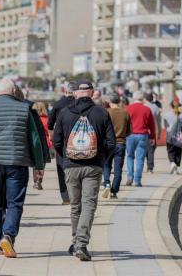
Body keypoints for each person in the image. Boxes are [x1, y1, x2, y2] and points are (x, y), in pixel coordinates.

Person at [0, 79, 45, 258]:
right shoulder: (24, 109)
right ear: (13, 91)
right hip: (17, 163)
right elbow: (34, 140)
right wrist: (39, 165)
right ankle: (8, 235)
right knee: (14, 203)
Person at [52, 80, 115, 261]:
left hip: (71, 166)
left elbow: (56, 141)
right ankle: (81, 243)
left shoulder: (64, 113)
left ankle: (76, 241)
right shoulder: (101, 113)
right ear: (92, 92)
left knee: (75, 206)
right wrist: (101, 159)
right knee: (89, 205)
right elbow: (111, 142)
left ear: (74, 94)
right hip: (93, 166)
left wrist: (65, 158)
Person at [48, 84, 75, 204]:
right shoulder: (78, 104)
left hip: (61, 140)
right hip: (76, 139)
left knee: (61, 168)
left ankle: (66, 197)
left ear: (65, 91)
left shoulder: (58, 104)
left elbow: (50, 123)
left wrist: (52, 136)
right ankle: (75, 194)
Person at [102, 94, 131, 199]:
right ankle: (114, 191)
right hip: (121, 143)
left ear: (110, 102)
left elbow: (102, 129)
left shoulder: (106, 112)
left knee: (106, 165)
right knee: (118, 168)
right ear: (119, 101)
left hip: (107, 143)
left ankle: (106, 183)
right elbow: (129, 131)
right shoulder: (125, 113)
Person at [125, 91, 156, 187]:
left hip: (130, 135)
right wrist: (152, 137)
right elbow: (152, 125)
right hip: (143, 135)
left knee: (130, 156)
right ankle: (137, 180)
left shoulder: (128, 109)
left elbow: (124, 123)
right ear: (142, 99)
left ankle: (130, 176)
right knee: (140, 158)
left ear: (134, 98)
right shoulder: (147, 109)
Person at [31, 101, 52, 190]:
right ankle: (39, 180)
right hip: (45, 144)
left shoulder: (32, 119)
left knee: (35, 164)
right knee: (42, 164)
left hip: (34, 143)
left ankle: (35, 180)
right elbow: (50, 132)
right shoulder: (46, 119)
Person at [163, 101, 182, 174]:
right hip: (179, 136)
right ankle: (176, 169)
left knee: (170, 151)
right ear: (179, 106)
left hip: (170, 136)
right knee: (178, 152)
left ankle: (172, 163)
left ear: (171, 106)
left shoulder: (166, 115)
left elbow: (165, 126)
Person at [143, 93, 161, 173]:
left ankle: (147, 165)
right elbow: (159, 121)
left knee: (145, 149)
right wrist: (159, 132)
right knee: (151, 149)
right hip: (153, 130)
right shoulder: (156, 108)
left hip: (143, 131)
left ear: (146, 99)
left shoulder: (143, 107)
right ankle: (150, 167)